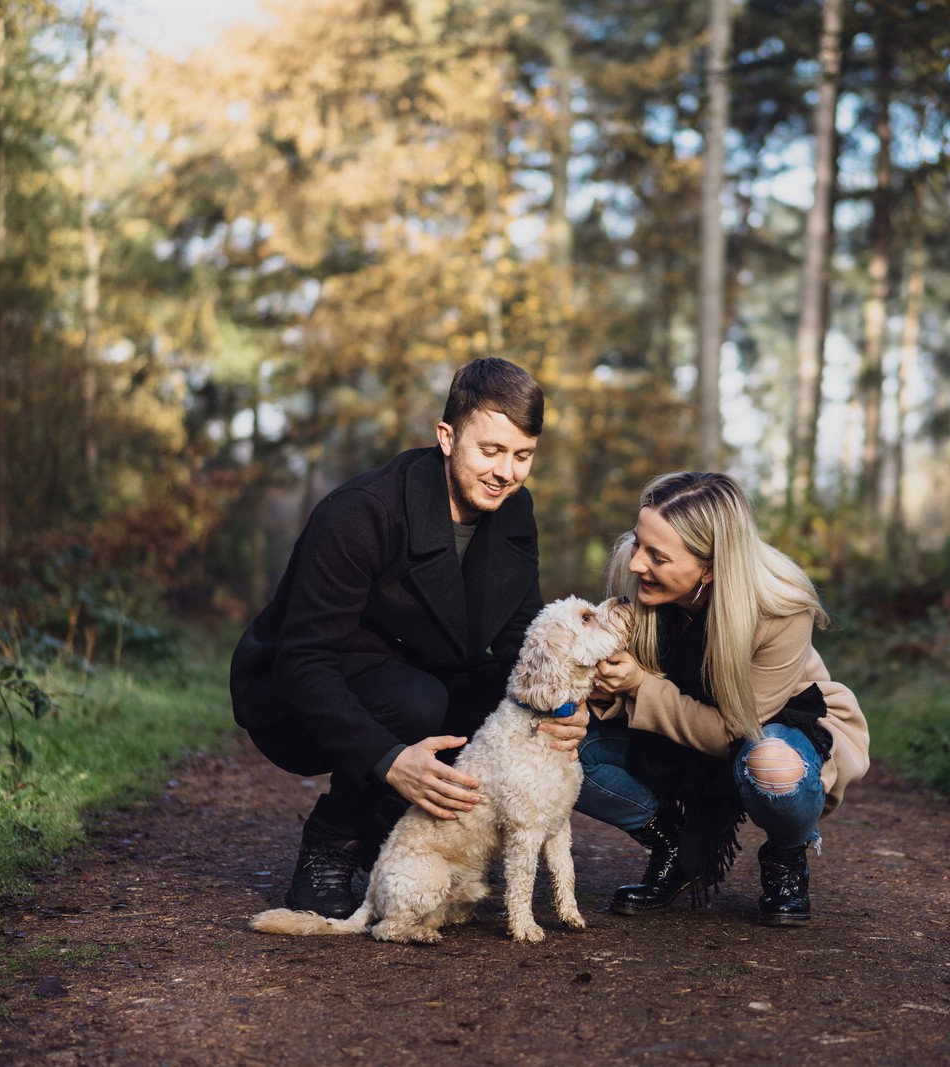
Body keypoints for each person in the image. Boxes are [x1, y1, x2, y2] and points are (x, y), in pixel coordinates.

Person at [229, 357, 588, 918]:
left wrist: (564, 706)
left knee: (499, 700)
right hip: (304, 690)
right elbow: (303, 660)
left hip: (427, 668)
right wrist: (389, 758)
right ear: (447, 437)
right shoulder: (360, 513)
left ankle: (400, 837)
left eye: (523, 456)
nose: (506, 472)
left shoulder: (515, 510)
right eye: (489, 450)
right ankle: (334, 841)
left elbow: (520, 634)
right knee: (417, 701)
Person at [577, 471, 869, 925]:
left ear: (710, 568)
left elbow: (734, 731)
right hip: (670, 724)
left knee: (774, 767)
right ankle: (671, 843)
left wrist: (638, 687)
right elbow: (614, 684)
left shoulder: (781, 607)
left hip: (766, 728)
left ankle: (787, 856)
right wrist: (602, 688)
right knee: (561, 745)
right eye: (638, 543)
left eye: (657, 556)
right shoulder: (634, 572)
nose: (636, 564)